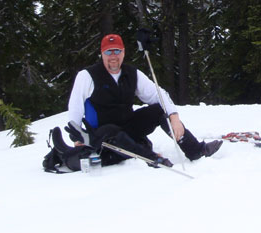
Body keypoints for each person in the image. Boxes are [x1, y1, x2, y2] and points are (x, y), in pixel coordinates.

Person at [63, 33, 222, 166]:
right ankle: (153, 159)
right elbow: (75, 106)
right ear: (102, 53)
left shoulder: (132, 73)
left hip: (127, 127)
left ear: (123, 52)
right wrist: (77, 136)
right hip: (103, 134)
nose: (113, 56)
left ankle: (195, 150)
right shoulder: (87, 75)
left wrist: (174, 116)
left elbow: (157, 94)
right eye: (108, 52)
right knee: (112, 131)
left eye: (117, 51)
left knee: (159, 109)